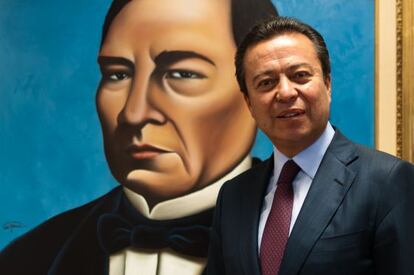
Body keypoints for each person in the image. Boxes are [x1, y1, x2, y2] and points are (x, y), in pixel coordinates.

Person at [0, 0, 278, 274]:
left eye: (182, 73)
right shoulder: (29, 256)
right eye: (118, 74)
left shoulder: (303, 243)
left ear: (257, 92)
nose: (134, 113)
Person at [205, 16, 414, 275]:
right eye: (266, 83)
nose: (285, 93)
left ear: (327, 83)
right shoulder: (233, 196)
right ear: (249, 102)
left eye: (300, 76)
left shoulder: (387, 182)